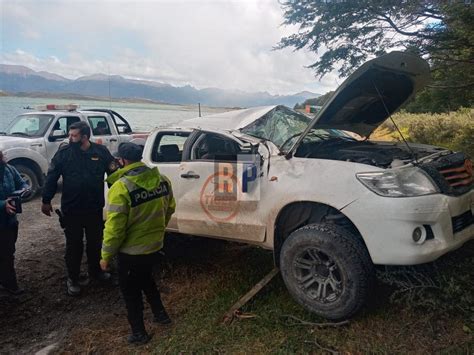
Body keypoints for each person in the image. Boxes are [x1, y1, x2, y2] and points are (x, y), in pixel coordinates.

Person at [100, 142, 176, 345]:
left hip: (130, 252)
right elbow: (170, 208)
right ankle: (161, 315)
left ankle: (139, 333)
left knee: (131, 293)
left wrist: (106, 256)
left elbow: (114, 229)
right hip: (154, 246)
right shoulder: (162, 179)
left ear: (122, 161)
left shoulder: (121, 187)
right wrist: (158, 231)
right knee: (147, 279)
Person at [41, 121, 118, 296]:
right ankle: (73, 278)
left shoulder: (101, 152)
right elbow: (52, 177)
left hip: (94, 209)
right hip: (72, 210)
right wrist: (46, 200)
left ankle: (96, 272)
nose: (70, 138)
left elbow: (115, 175)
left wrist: (120, 196)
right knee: (74, 246)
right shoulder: (64, 154)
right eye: (70, 134)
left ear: (85, 137)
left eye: (74, 135)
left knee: (95, 243)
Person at [0, 150, 28, 295]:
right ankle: (10, 284)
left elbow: (21, 182)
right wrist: (3, 204)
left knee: (9, 252)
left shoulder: (9, 169)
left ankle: (7, 281)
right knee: (5, 254)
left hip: (10, 221)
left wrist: (23, 189)